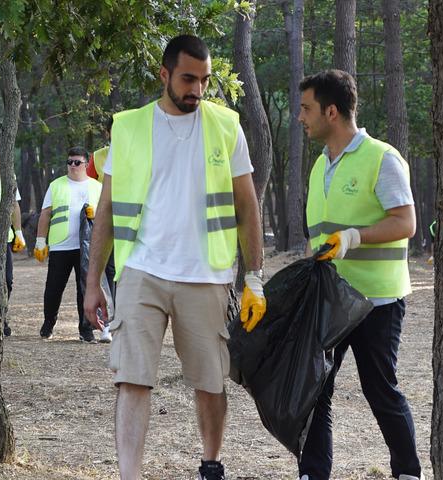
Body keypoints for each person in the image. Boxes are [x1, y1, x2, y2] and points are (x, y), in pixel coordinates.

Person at [83, 35, 265, 480]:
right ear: (164, 75)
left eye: (203, 80)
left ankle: (211, 463)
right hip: (141, 270)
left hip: (206, 274)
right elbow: (105, 209)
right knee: (132, 377)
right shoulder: (126, 127)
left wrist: (255, 277)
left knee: (210, 381)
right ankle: (130, 474)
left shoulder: (227, 126)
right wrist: (92, 283)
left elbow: (248, 208)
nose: (197, 90)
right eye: (187, 78)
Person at [297, 70, 421, 480]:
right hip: (329, 301)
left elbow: (405, 223)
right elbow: (318, 233)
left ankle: (408, 473)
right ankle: (313, 474)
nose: (301, 117)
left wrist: (353, 237)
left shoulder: (382, 157)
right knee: (315, 392)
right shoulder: (319, 166)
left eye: (306, 108)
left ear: (331, 112)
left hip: (376, 301)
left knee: (380, 390)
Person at [34, 146, 103, 343]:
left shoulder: (97, 187)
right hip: (60, 246)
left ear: (86, 164)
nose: (73, 166)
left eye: (77, 162)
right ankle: (48, 323)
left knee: (85, 289)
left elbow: (105, 215)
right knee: (54, 288)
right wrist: (40, 241)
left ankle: (86, 329)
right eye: (69, 162)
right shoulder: (56, 185)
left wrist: (96, 214)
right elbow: (46, 213)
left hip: (88, 247)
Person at [0, 144, 26, 336]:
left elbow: (15, 206)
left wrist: (18, 232)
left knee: (7, 281)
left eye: (0, 165)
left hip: (4, 240)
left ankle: (2, 316)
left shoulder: (8, 179)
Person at [87, 116, 112, 183]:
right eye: (116, 131)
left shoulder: (137, 155)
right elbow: (88, 185)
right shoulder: (97, 156)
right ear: (107, 134)